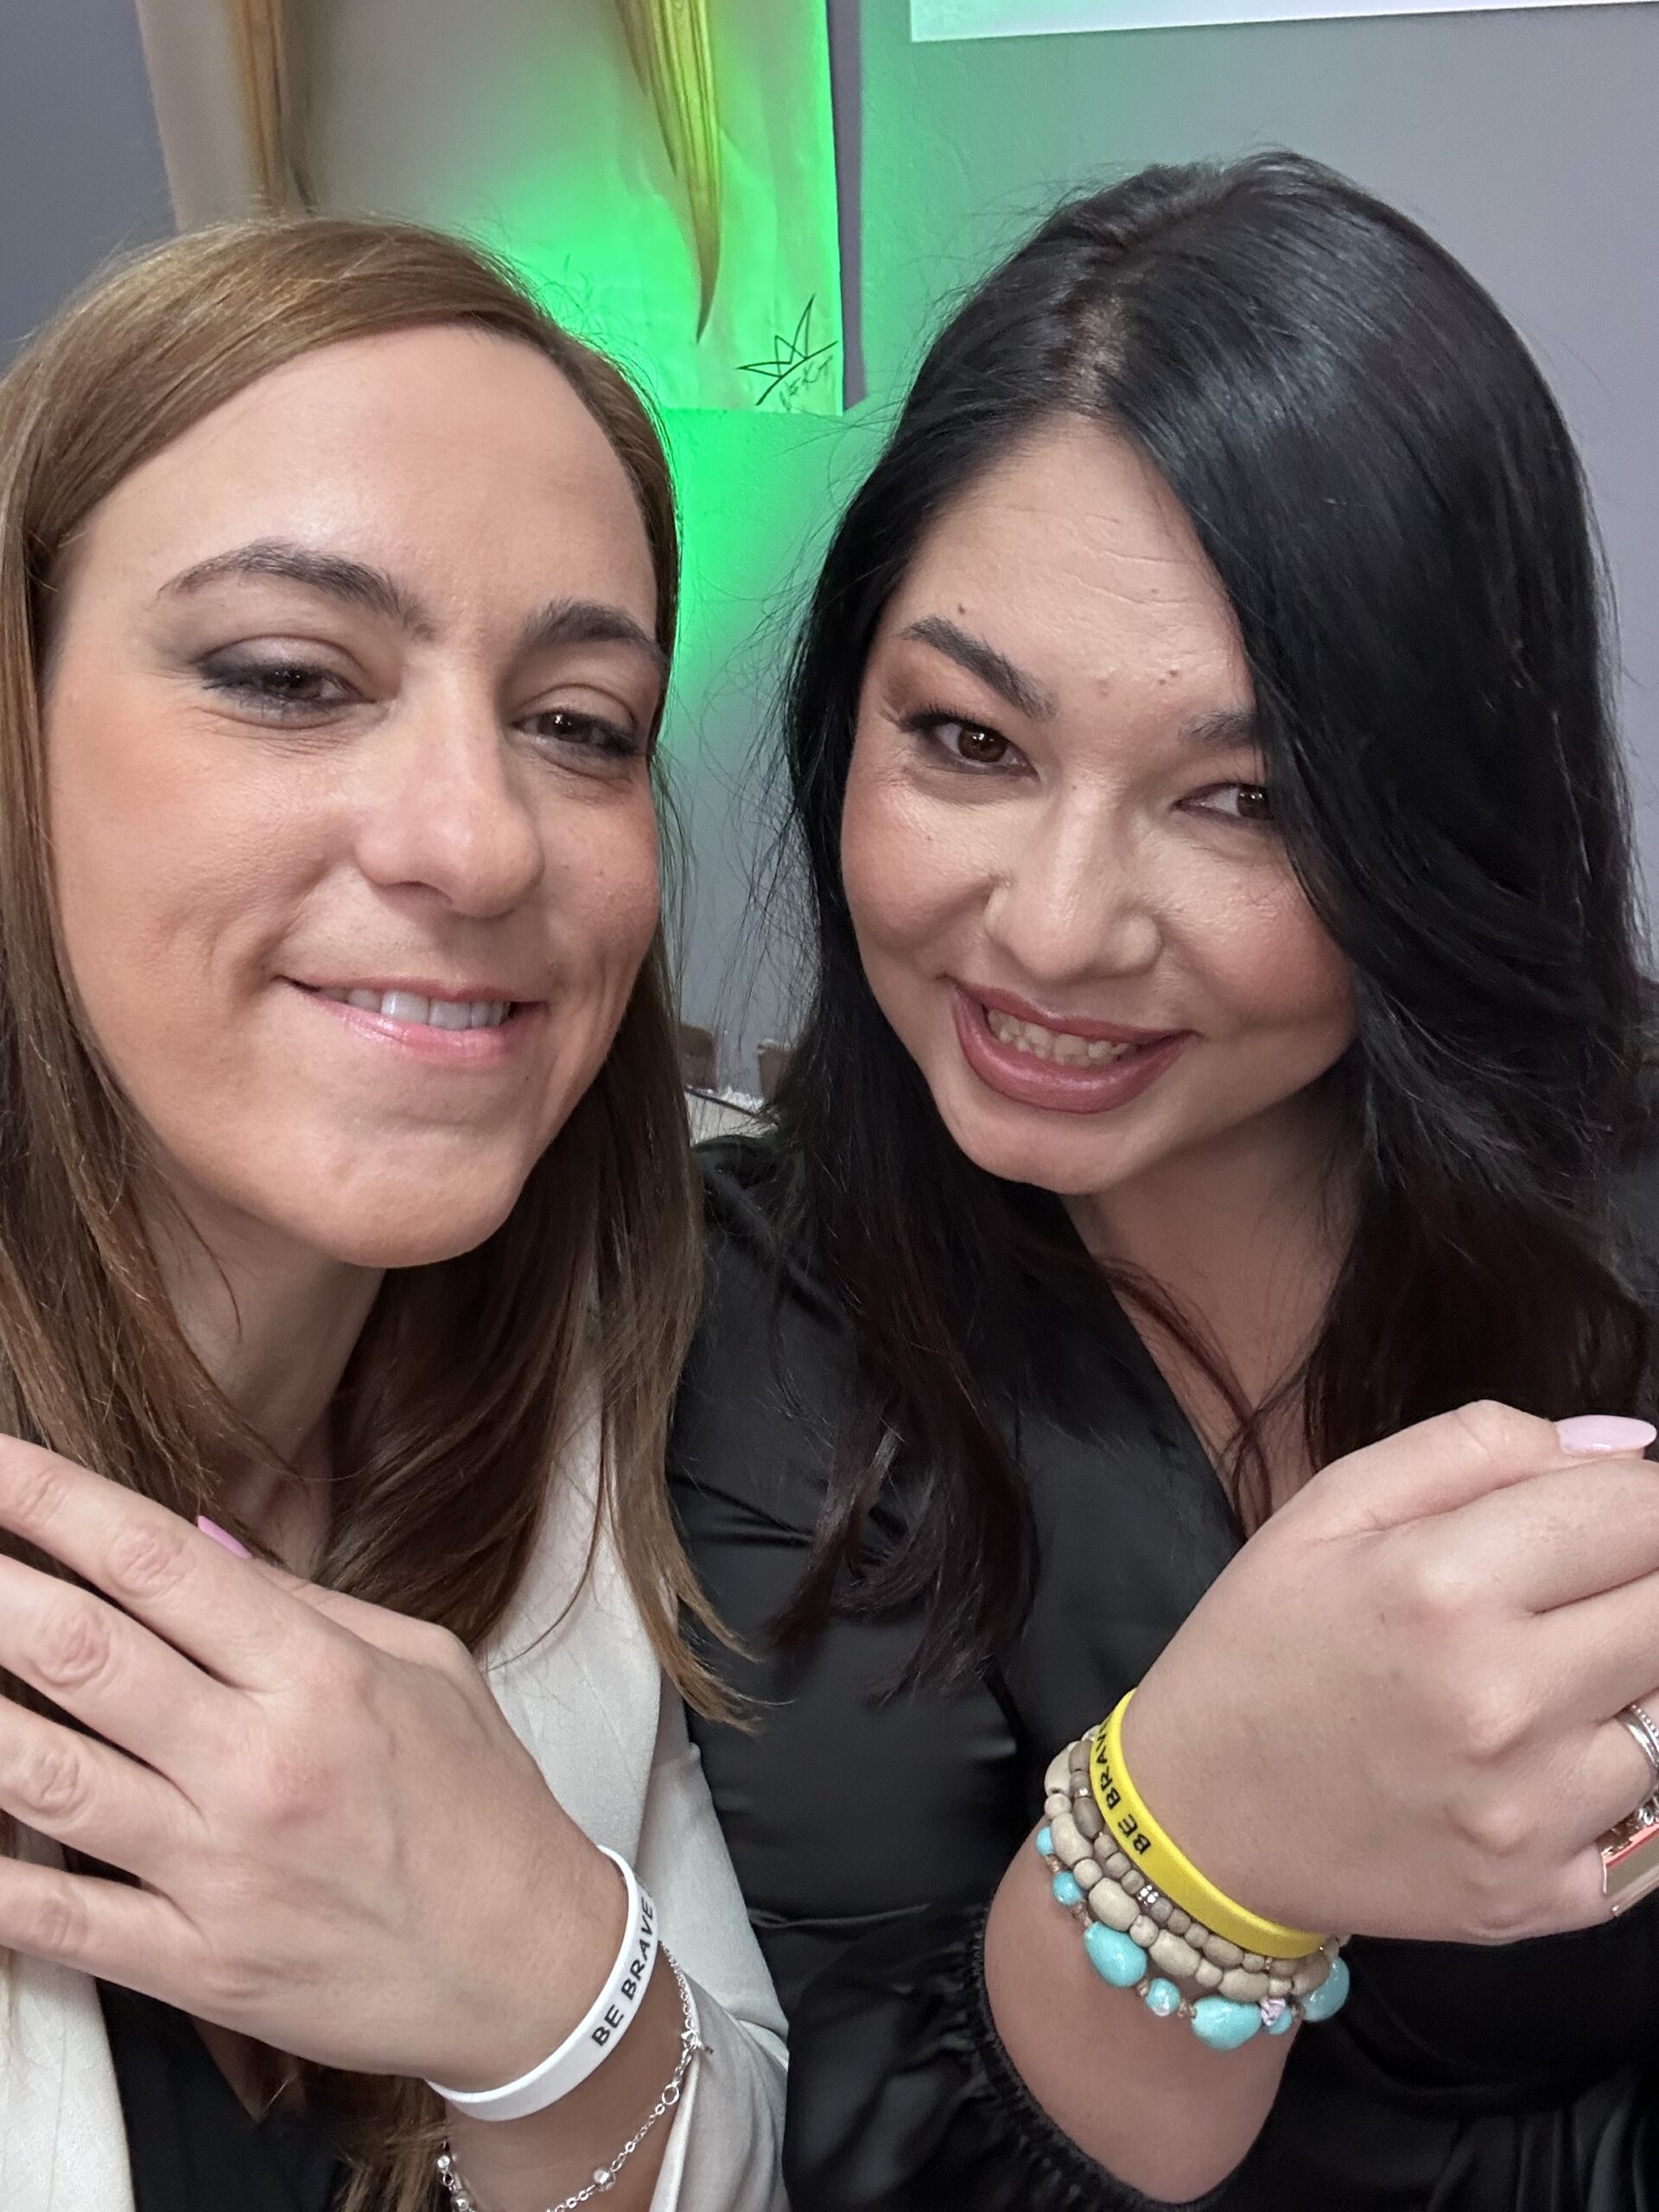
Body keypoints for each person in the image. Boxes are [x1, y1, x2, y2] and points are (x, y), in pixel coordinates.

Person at [670, 152, 1659, 2209]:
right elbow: (892, 2156)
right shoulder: (762, 1335)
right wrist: (1197, 1833)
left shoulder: (1618, 1174)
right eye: (969, 741)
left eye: (1245, 798)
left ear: (1441, 821)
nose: (1053, 925)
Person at [0, 217, 785, 2212]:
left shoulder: (600, 1378)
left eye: (579, 722)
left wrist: (550, 1983)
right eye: (290, 676)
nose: (480, 838)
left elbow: (730, 2136)